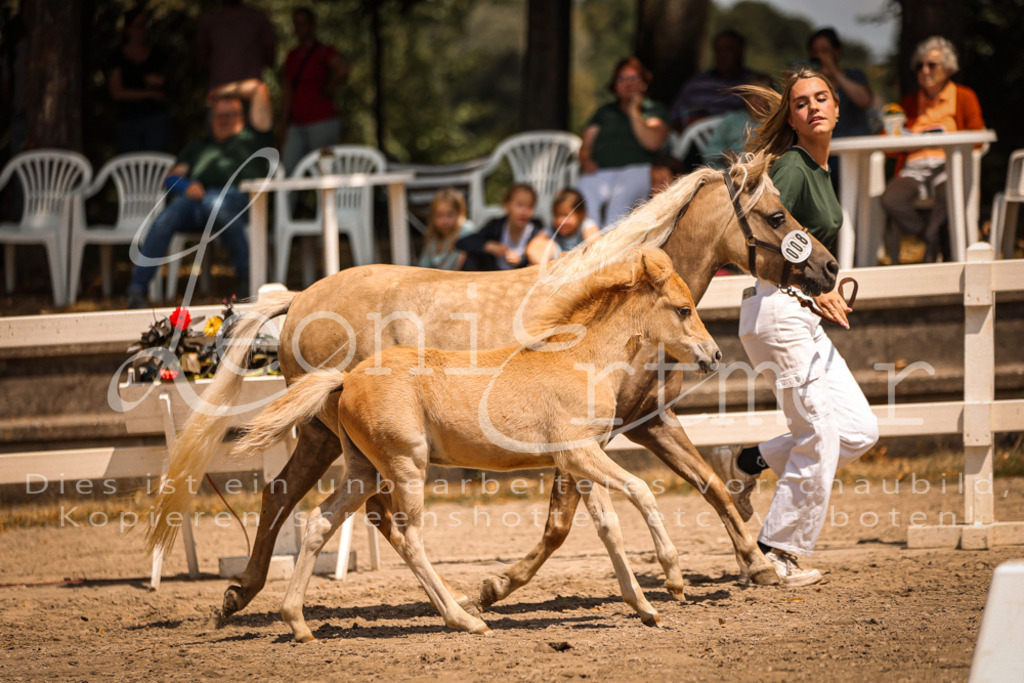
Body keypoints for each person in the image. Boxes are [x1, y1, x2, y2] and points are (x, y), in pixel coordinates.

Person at [709, 68, 879, 586]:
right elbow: (766, 230)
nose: (813, 108)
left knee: (857, 431)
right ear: (792, 116)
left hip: (800, 315)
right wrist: (816, 285)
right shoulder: (791, 169)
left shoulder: (821, 170)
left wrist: (819, 290)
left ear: (836, 107)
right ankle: (776, 553)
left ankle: (746, 461)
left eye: (822, 98)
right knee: (819, 433)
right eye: (801, 103)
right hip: (779, 308)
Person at [125, 79, 273, 309]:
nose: (223, 120)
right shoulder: (199, 147)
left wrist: (221, 91)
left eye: (230, 114)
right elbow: (171, 178)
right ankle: (137, 289)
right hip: (196, 203)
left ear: (242, 117)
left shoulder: (254, 138)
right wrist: (186, 187)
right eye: (218, 115)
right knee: (170, 213)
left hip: (237, 202)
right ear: (210, 120)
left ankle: (247, 280)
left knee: (215, 203)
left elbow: (258, 89)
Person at [881, 36, 985, 264]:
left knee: (948, 187)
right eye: (920, 66)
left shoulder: (964, 97)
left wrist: (946, 140)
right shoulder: (907, 103)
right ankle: (927, 234)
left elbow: (979, 139)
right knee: (890, 198)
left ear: (948, 69)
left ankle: (933, 236)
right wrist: (893, 132)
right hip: (913, 168)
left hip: (948, 164)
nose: (924, 70)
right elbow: (888, 147)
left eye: (931, 65)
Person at [578, 56, 670, 228]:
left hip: (638, 168)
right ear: (614, 84)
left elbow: (652, 142)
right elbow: (586, 146)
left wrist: (634, 110)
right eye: (622, 78)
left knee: (617, 207)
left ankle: (609, 248)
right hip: (600, 172)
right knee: (584, 199)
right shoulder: (604, 112)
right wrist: (586, 160)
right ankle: (590, 245)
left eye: (633, 78)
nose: (627, 83)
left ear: (643, 83)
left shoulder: (653, 109)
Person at [281, 7, 350, 173]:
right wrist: (282, 125)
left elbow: (342, 69)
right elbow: (287, 91)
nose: (299, 28)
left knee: (326, 170)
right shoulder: (291, 56)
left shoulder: (324, 51)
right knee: (288, 170)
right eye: (296, 24)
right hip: (296, 124)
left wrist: (329, 87)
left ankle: (330, 200)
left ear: (312, 25)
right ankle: (286, 200)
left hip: (323, 122)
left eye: (303, 24)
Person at [669, 29, 763, 132]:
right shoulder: (697, 82)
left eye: (728, 49)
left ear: (741, 51)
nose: (722, 55)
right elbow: (675, 118)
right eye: (718, 50)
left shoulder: (755, 84)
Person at [108, 8, 172, 154]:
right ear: (127, 29)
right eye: (138, 25)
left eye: (145, 25)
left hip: (155, 120)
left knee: (156, 166)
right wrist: (149, 93)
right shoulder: (117, 57)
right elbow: (117, 93)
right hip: (127, 121)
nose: (143, 30)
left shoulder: (157, 54)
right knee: (130, 170)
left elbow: (165, 86)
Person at [456, 183, 543, 271]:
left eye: (529, 206)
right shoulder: (496, 226)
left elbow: (540, 258)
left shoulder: (536, 232)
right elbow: (463, 242)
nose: (524, 211)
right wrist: (489, 246)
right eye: (520, 205)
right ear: (506, 205)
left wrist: (521, 260)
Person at [197, 0, 275, 91]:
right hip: (219, 87)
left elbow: (270, 52)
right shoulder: (210, 20)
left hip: (250, 89)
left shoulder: (257, 18)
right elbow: (201, 53)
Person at [701, 75, 774, 169]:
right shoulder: (732, 120)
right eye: (752, 95)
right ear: (747, 98)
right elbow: (709, 151)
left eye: (761, 96)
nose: (757, 100)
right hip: (730, 173)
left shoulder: (773, 123)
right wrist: (724, 154)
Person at [525, 188, 601, 263]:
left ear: (580, 214)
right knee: (548, 245)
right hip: (556, 269)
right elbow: (531, 249)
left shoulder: (586, 225)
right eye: (557, 215)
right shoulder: (551, 230)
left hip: (581, 266)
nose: (561, 221)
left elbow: (595, 244)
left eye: (566, 215)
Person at [417, 188, 474, 270]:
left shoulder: (466, 232)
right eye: (439, 215)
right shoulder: (433, 238)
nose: (444, 221)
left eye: (450, 215)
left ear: (460, 212)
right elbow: (423, 265)